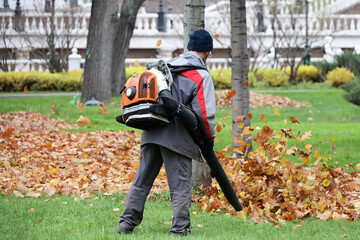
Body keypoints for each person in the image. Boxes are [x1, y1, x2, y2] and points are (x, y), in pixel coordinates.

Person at [117, 29, 216, 236]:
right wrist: (208, 140)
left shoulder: (164, 68)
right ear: (207, 52)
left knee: (141, 181)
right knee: (180, 185)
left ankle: (126, 224)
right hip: (177, 138)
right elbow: (204, 115)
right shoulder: (201, 75)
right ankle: (180, 230)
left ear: (189, 48)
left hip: (151, 130)